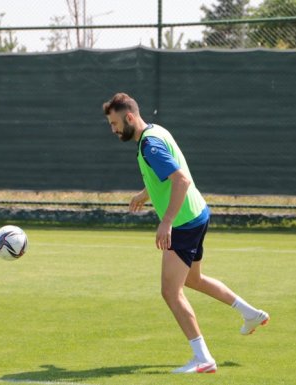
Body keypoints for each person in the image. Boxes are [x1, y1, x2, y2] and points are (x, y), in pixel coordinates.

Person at [102, 92, 269, 374]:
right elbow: (169, 175)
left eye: (115, 123)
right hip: (197, 212)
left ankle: (203, 358)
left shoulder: (149, 145)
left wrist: (166, 222)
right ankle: (250, 314)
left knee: (170, 291)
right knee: (194, 279)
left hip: (184, 222)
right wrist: (146, 194)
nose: (114, 129)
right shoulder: (155, 131)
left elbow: (181, 179)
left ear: (129, 117)